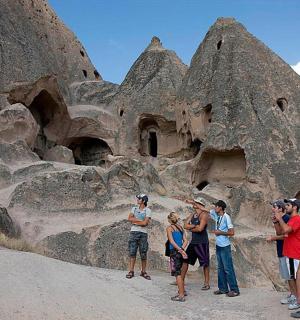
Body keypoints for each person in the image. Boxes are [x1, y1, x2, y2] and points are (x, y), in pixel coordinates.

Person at [266, 199, 296, 306]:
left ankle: (295, 296)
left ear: (280, 208)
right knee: (287, 275)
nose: (272, 209)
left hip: (287, 251)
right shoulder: (281, 218)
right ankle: (293, 294)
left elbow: (285, 235)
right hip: (282, 250)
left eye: (274, 207)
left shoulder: (287, 218)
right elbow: (279, 232)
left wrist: (273, 238)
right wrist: (275, 222)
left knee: (291, 275)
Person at [274, 199, 300, 318]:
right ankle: (296, 299)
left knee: (296, 279)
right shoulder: (293, 219)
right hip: (290, 253)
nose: (286, 207)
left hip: (295, 254)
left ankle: (297, 301)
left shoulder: (297, 219)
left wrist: (279, 218)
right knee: (292, 278)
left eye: (288, 205)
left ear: (295, 207)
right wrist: (276, 220)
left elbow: (286, 231)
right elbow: (282, 232)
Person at [209, 200, 240, 297]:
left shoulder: (227, 217)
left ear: (221, 208)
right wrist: (194, 204)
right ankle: (223, 289)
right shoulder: (217, 215)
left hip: (225, 246)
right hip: (218, 245)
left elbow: (232, 232)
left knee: (228, 268)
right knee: (220, 268)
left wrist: (220, 232)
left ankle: (235, 290)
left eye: (216, 206)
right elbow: (205, 210)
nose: (215, 207)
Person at [181, 197, 210, 290]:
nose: (194, 204)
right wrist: (193, 226)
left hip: (202, 242)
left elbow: (200, 229)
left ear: (200, 205)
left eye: (196, 203)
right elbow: (185, 225)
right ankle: (181, 280)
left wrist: (190, 227)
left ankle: (206, 283)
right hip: (193, 242)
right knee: (185, 260)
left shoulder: (204, 214)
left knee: (205, 263)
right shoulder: (193, 214)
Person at [126, 194, 152, 280]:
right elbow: (129, 218)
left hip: (143, 233)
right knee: (132, 252)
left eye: (139, 198)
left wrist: (135, 221)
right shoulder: (134, 208)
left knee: (143, 253)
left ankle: (143, 271)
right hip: (134, 232)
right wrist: (141, 221)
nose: (137, 199)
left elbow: (145, 223)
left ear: (143, 201)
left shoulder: (148, 210)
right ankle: (131, 271)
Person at [166, 212, 188, 302]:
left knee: (177, 274)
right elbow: (186, 240)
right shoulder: (180, 228)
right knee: (180, 273)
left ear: (169, 219)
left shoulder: (169, 228)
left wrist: (179, 250)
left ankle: (181, 295)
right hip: (181, 251)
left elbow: (171, 241)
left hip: (175, 252)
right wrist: (182, 250)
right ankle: (182, 290)